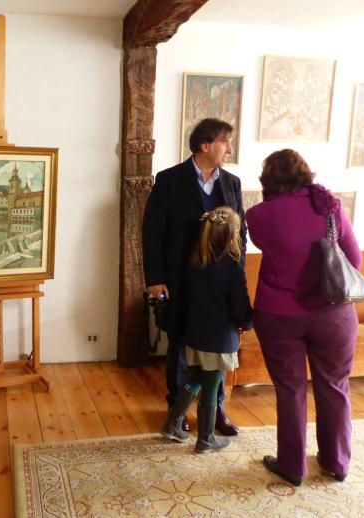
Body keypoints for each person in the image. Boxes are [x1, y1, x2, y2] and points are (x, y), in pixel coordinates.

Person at [246, 149, 361, 486]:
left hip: (279, 315)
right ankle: (336, 462)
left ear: (268, 180)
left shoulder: (258, 215)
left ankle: (292, 465)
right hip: (333, 314)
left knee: (290, 390)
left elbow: (266, 243)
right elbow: (354, 259)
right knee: (335, 387)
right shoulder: (331, 207)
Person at [142, 118, 246, 435]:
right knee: (181, 345)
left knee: (218, 348)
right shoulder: (169, 180)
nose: (229, 148)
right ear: (205, 145)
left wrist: (237, 277)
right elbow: (152, 233)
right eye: (225, 142)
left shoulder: (232, 183)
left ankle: (216, 410)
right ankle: (178, 410)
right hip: (179, 280)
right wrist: (155, 279)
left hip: (220, 284)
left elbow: (241, 232)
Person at [160, 207, 252, 452]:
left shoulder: (194, 265)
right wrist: (248, 322)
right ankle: (206, 439)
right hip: (220, 339)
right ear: (234, 237)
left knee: (197, 378)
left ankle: (173, 422)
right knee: (211, 385)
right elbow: (240, 307)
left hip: (196, 335)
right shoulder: (233, 269)